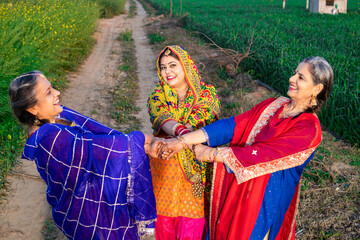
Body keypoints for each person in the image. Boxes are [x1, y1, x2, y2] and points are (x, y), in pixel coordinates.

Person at [162, 56, 333, 240]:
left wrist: (211, 153)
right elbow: (233, 126)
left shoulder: (309, 128)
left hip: (264, 203)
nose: (292, 79)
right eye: (294, 73)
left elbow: (265, 154)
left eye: (301, 77)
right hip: (238, 191)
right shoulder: (274, 105)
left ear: (317, 89)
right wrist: (182, 142)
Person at [8, 70, 164, 240]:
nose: (57, 93)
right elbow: (102, 148)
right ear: (32, 109)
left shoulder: (59, 116)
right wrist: (144, 140)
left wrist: (143, 144)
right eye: (48, 92)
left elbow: (101, 135)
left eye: (52, 88)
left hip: (95, 202)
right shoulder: (48, 138)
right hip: (89, 215)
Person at [147, 45, 221, 239]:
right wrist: (182, 132)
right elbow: (161, 117)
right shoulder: (158, 94)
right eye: (163, 67)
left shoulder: (206, 93)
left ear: (186, 66)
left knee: (192, 223)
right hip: (165, 167)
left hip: (196, 172)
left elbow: (205, 116)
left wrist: (182, 138)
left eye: (172, 65)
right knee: (164, 223)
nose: (167, 72)